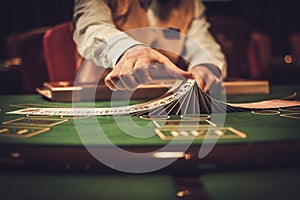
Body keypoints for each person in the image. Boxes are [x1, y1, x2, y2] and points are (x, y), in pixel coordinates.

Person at [73, 0, 227, 93]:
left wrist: (205, 66)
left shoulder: (190, 3)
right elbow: (91, 27)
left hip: (163, 99)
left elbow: (202, 44)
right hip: (99, 95)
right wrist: (129, 51)